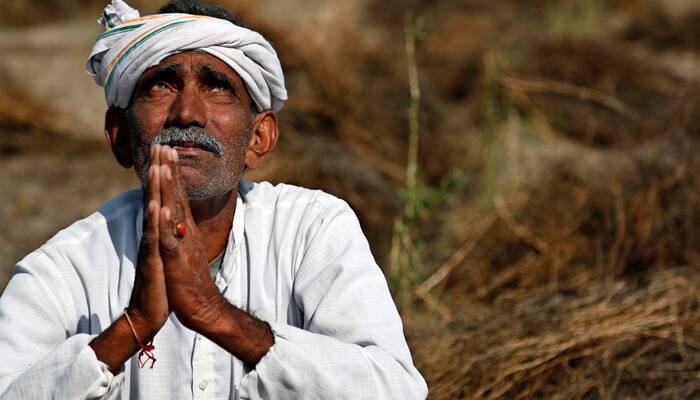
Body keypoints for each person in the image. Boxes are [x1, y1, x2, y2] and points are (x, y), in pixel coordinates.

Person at [0, 0, 428, 399]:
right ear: (120, 135)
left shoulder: (312, 231)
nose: (187, 112)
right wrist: (131, 328)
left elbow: (396, 387)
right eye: (161, 86)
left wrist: (216, 314)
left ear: (258, 140)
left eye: (217, 87)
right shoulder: (61, 271)